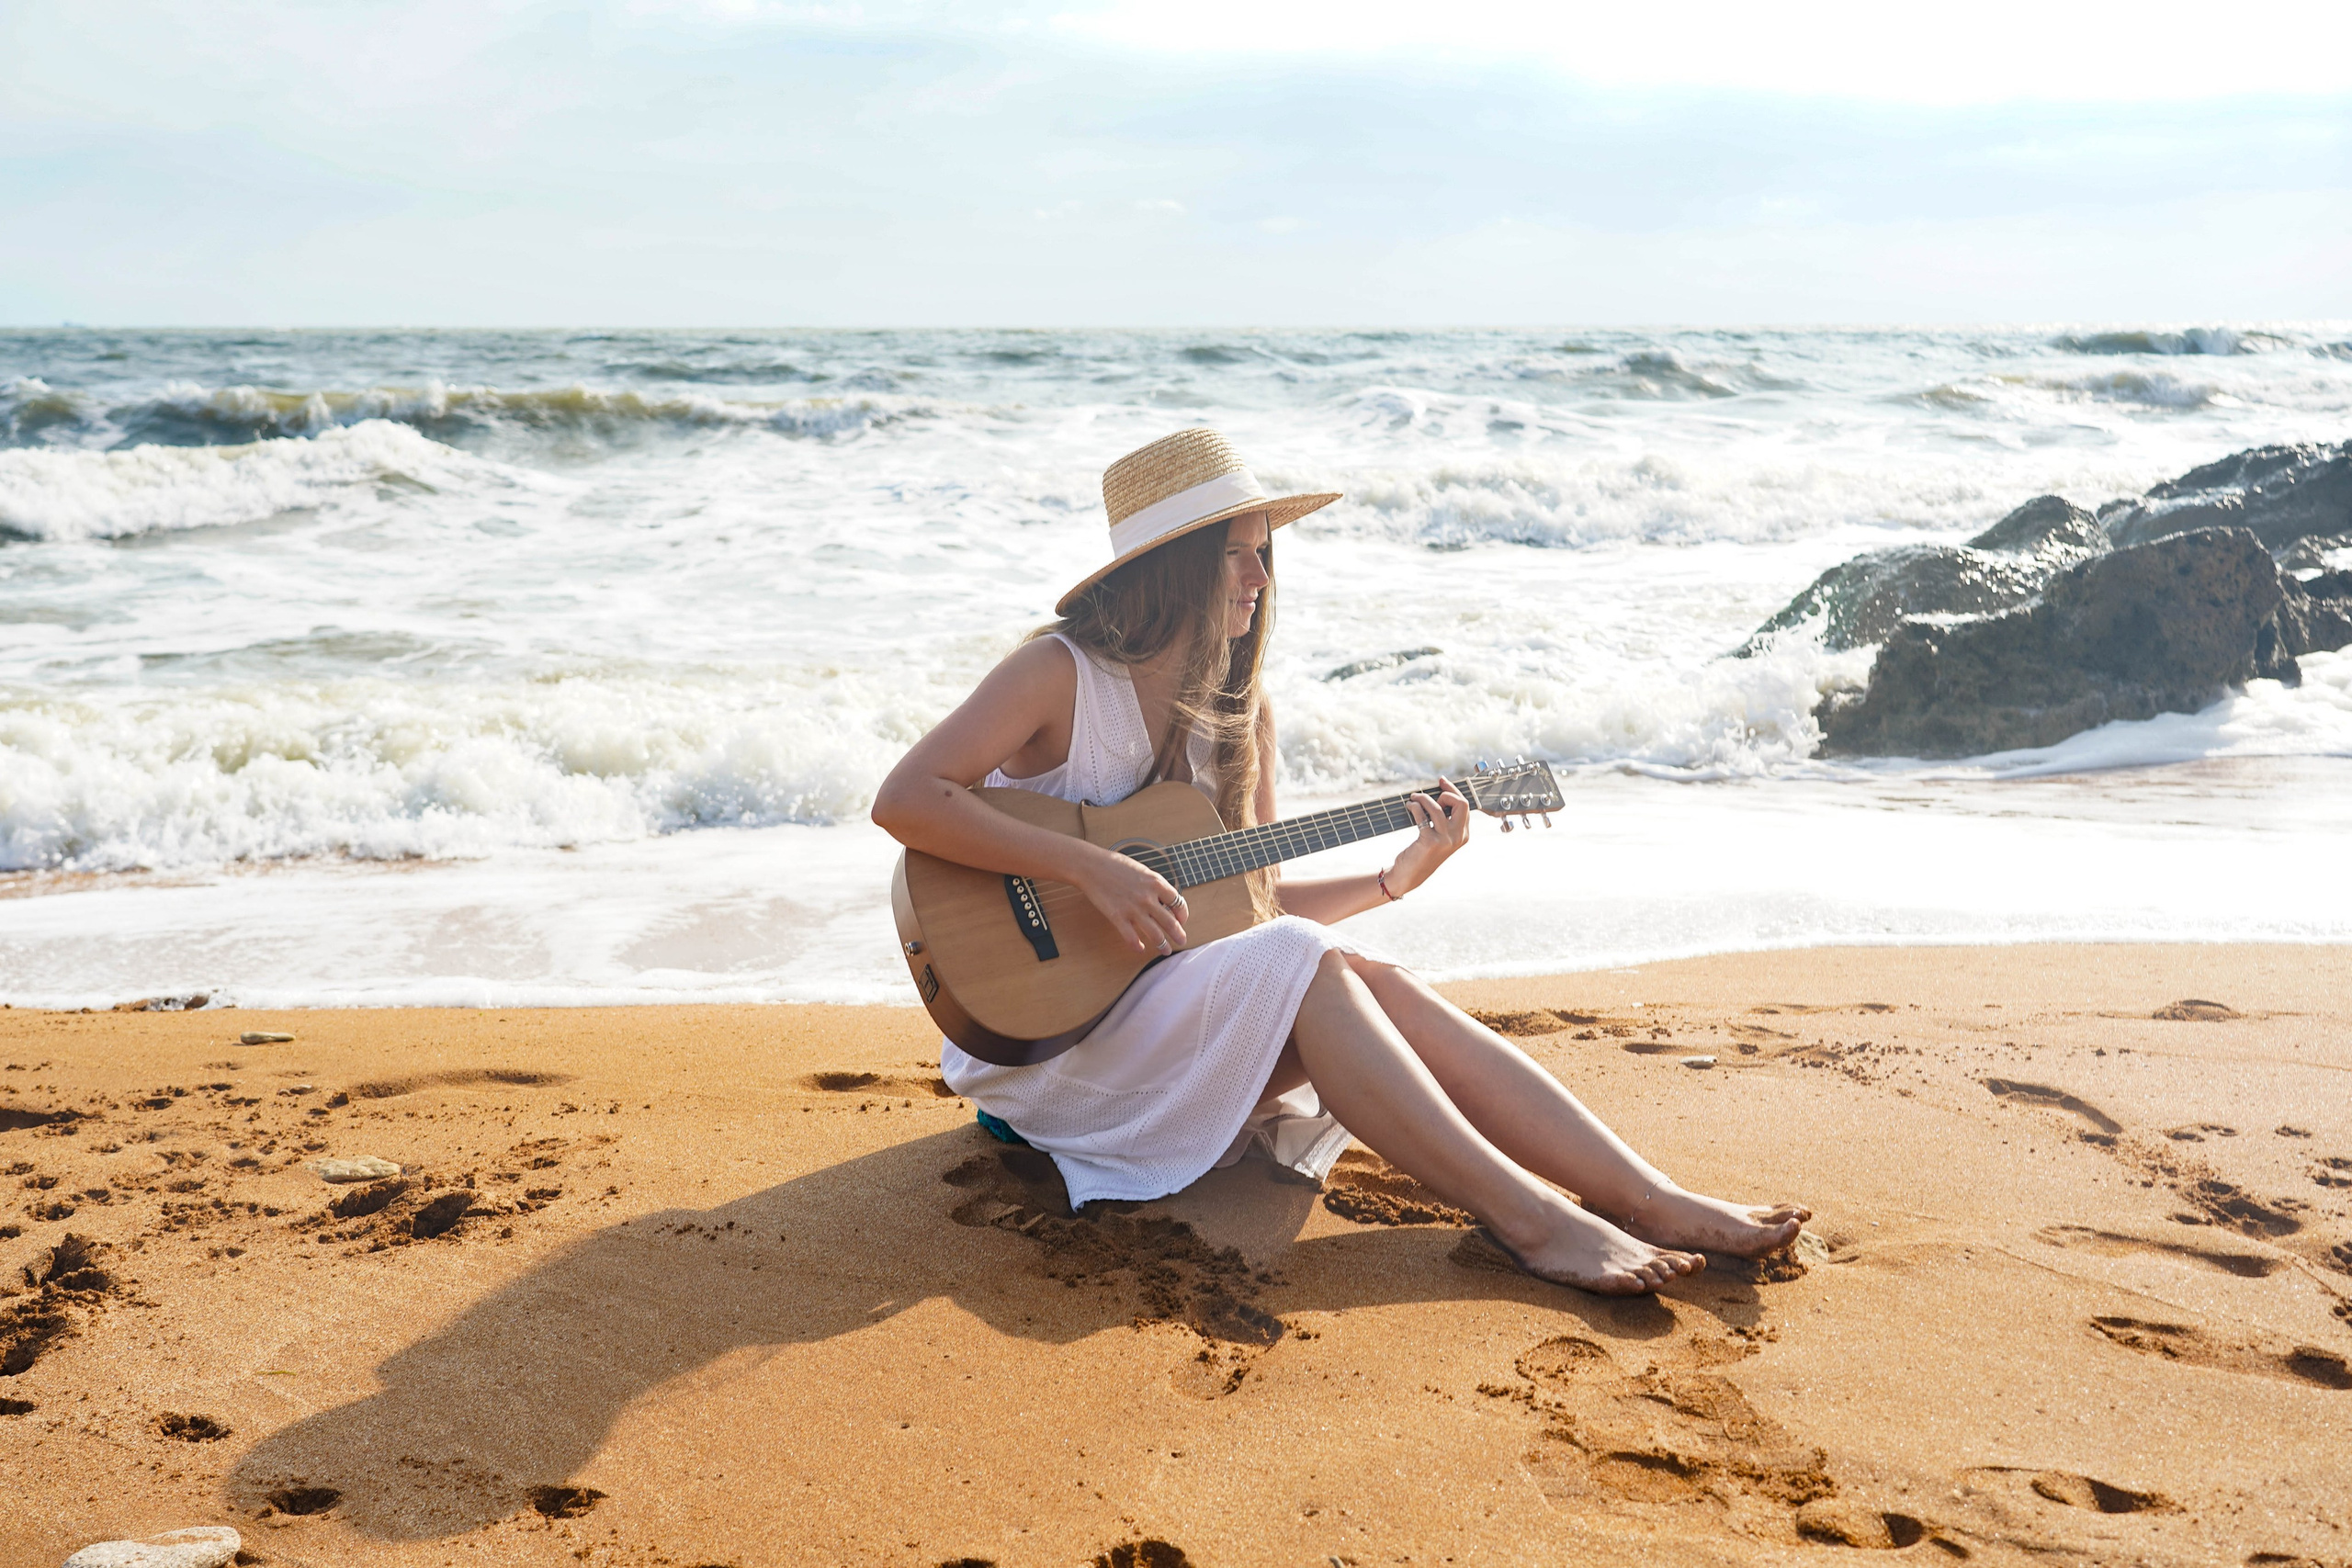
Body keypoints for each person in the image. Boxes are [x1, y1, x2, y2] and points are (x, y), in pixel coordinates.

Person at [872, 428, 1807, 1295]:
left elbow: (1252, 909)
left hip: (1143, 1021)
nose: (1257, 576)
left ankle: (1649, 1197)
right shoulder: (1059, 674)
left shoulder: (1245, 715)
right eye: (1232, 552)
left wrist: (1400, 876)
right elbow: (906, 799)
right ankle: (1532, 1223)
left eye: (1262, 551)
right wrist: (1088, 870)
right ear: (1169, 566)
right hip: (1039, 1053)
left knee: (1369, 975)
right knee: (1303, 962)